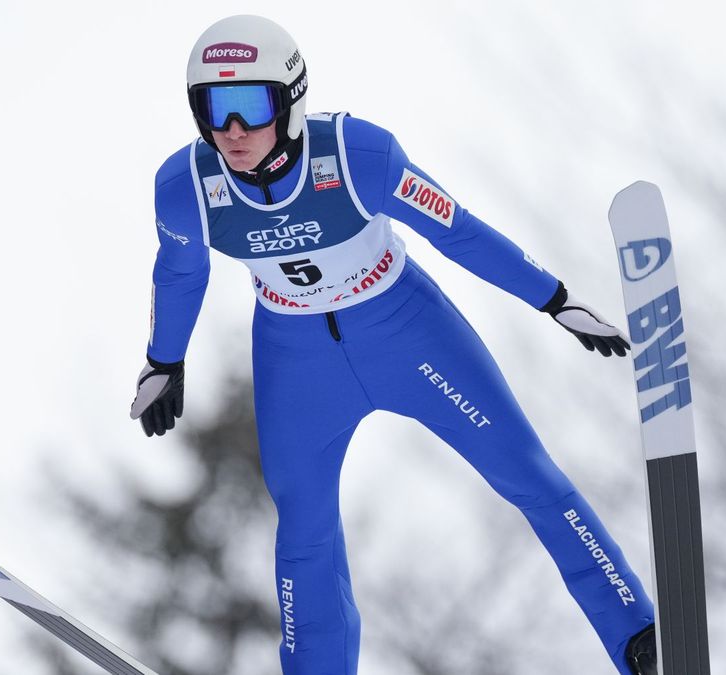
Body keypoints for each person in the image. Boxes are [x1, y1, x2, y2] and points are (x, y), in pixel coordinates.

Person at [129, 14, 658, 675]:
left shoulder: (358, 157)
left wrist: (553, 298)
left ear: (291, 101)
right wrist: (164, 359)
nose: (232, 131)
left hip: (407, 331)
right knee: (304, 534)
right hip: (297, 361)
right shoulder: (186, 189)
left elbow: (456, 230)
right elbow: (179, 272)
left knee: (527, 473)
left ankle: (639, 636)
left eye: (250, 105)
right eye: (214, 108)